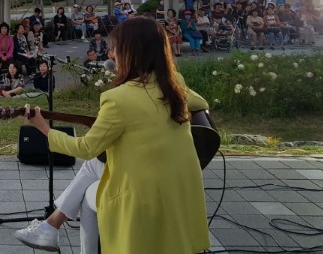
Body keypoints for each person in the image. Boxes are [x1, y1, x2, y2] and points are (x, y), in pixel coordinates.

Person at [17, 17, 210, 254]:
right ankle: (50, 227)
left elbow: (86, 148)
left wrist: (44, 128)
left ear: (130, 53)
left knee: (88, 195)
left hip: (141, 197)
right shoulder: (174, 84)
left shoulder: (118, 99)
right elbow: (201, 103)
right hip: (181, 190)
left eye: (115, 49)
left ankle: (52, 228)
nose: (111, 55)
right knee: (93, 167)